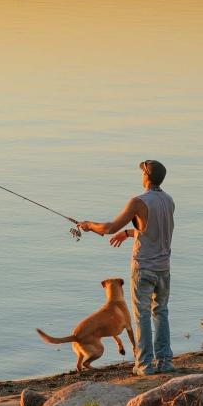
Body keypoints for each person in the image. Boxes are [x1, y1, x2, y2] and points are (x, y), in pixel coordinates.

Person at [77, 160, 175, 375]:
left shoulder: (138, 202)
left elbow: (110, 228)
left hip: (144, 268)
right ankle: (166, 362)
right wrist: (130, 233)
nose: (141, 176)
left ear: (147, 177)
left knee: (141, 316)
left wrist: (89, 225)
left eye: (142, 173)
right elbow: (154, 231)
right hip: (164, 268)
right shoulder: (169, 201)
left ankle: (145, 365)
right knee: (161, 312)